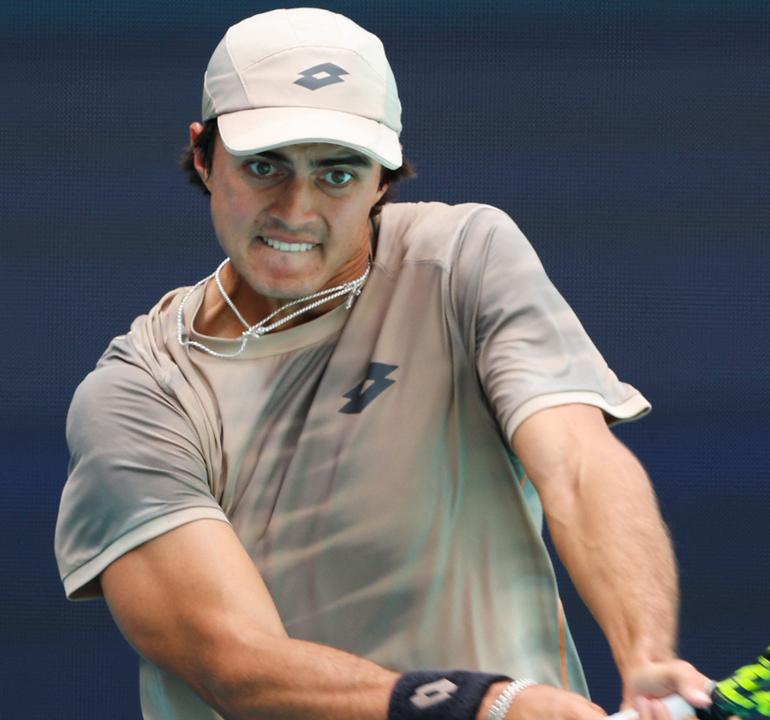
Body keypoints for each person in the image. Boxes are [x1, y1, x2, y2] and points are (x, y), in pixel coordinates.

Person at [54, 8, 711, 720]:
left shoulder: (461, 260)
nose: (296, 210)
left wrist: (645, 653)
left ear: (384, 180)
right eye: (265, 166)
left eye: (337, 173)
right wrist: (487, 707)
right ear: (205, 156)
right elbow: (233, 661)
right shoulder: (138, 395)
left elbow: (578, 463)